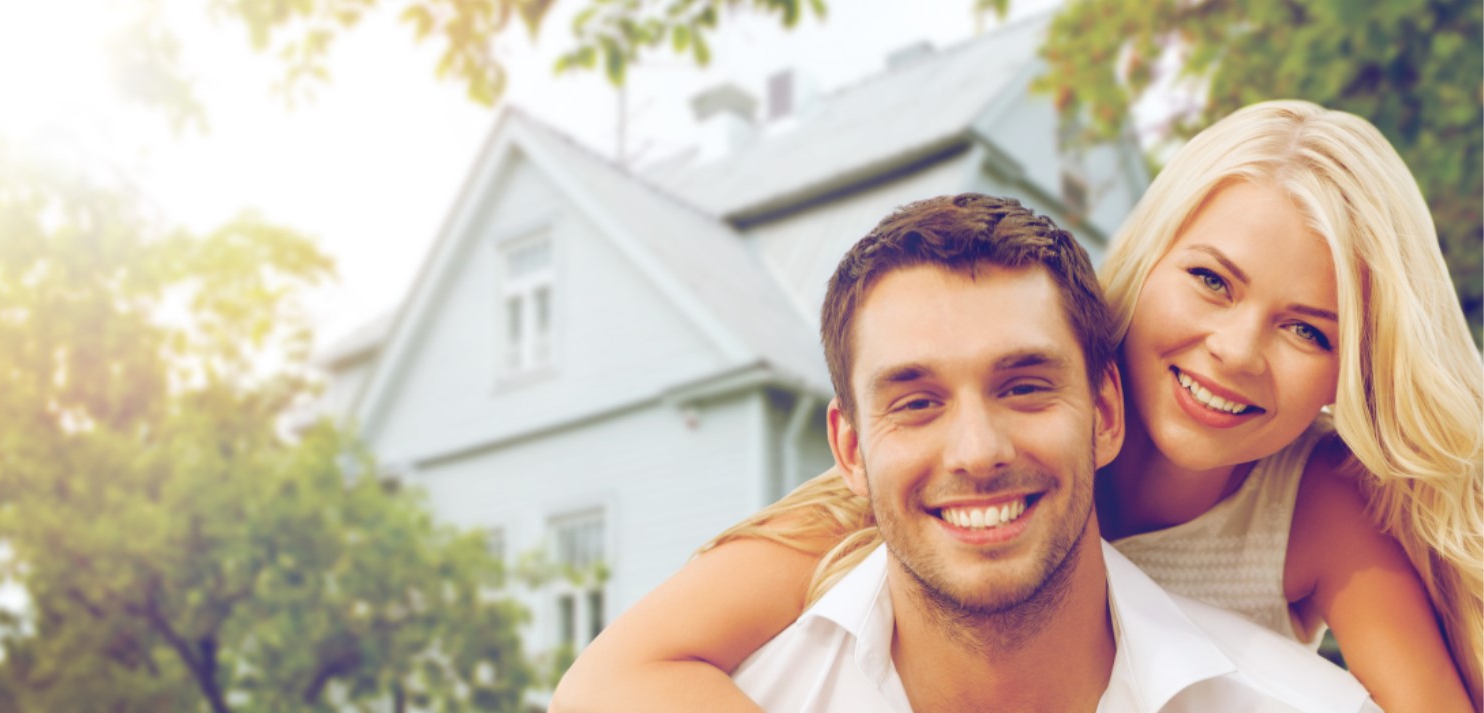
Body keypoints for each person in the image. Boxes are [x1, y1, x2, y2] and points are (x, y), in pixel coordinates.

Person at [550, 101, 1483, 712]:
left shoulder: (1316, 505)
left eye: (1308, 331)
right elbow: (605, 680)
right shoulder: (906, 496)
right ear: (1147, 259)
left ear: (1349, 373)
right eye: (1209, 280)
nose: (1235, 350)